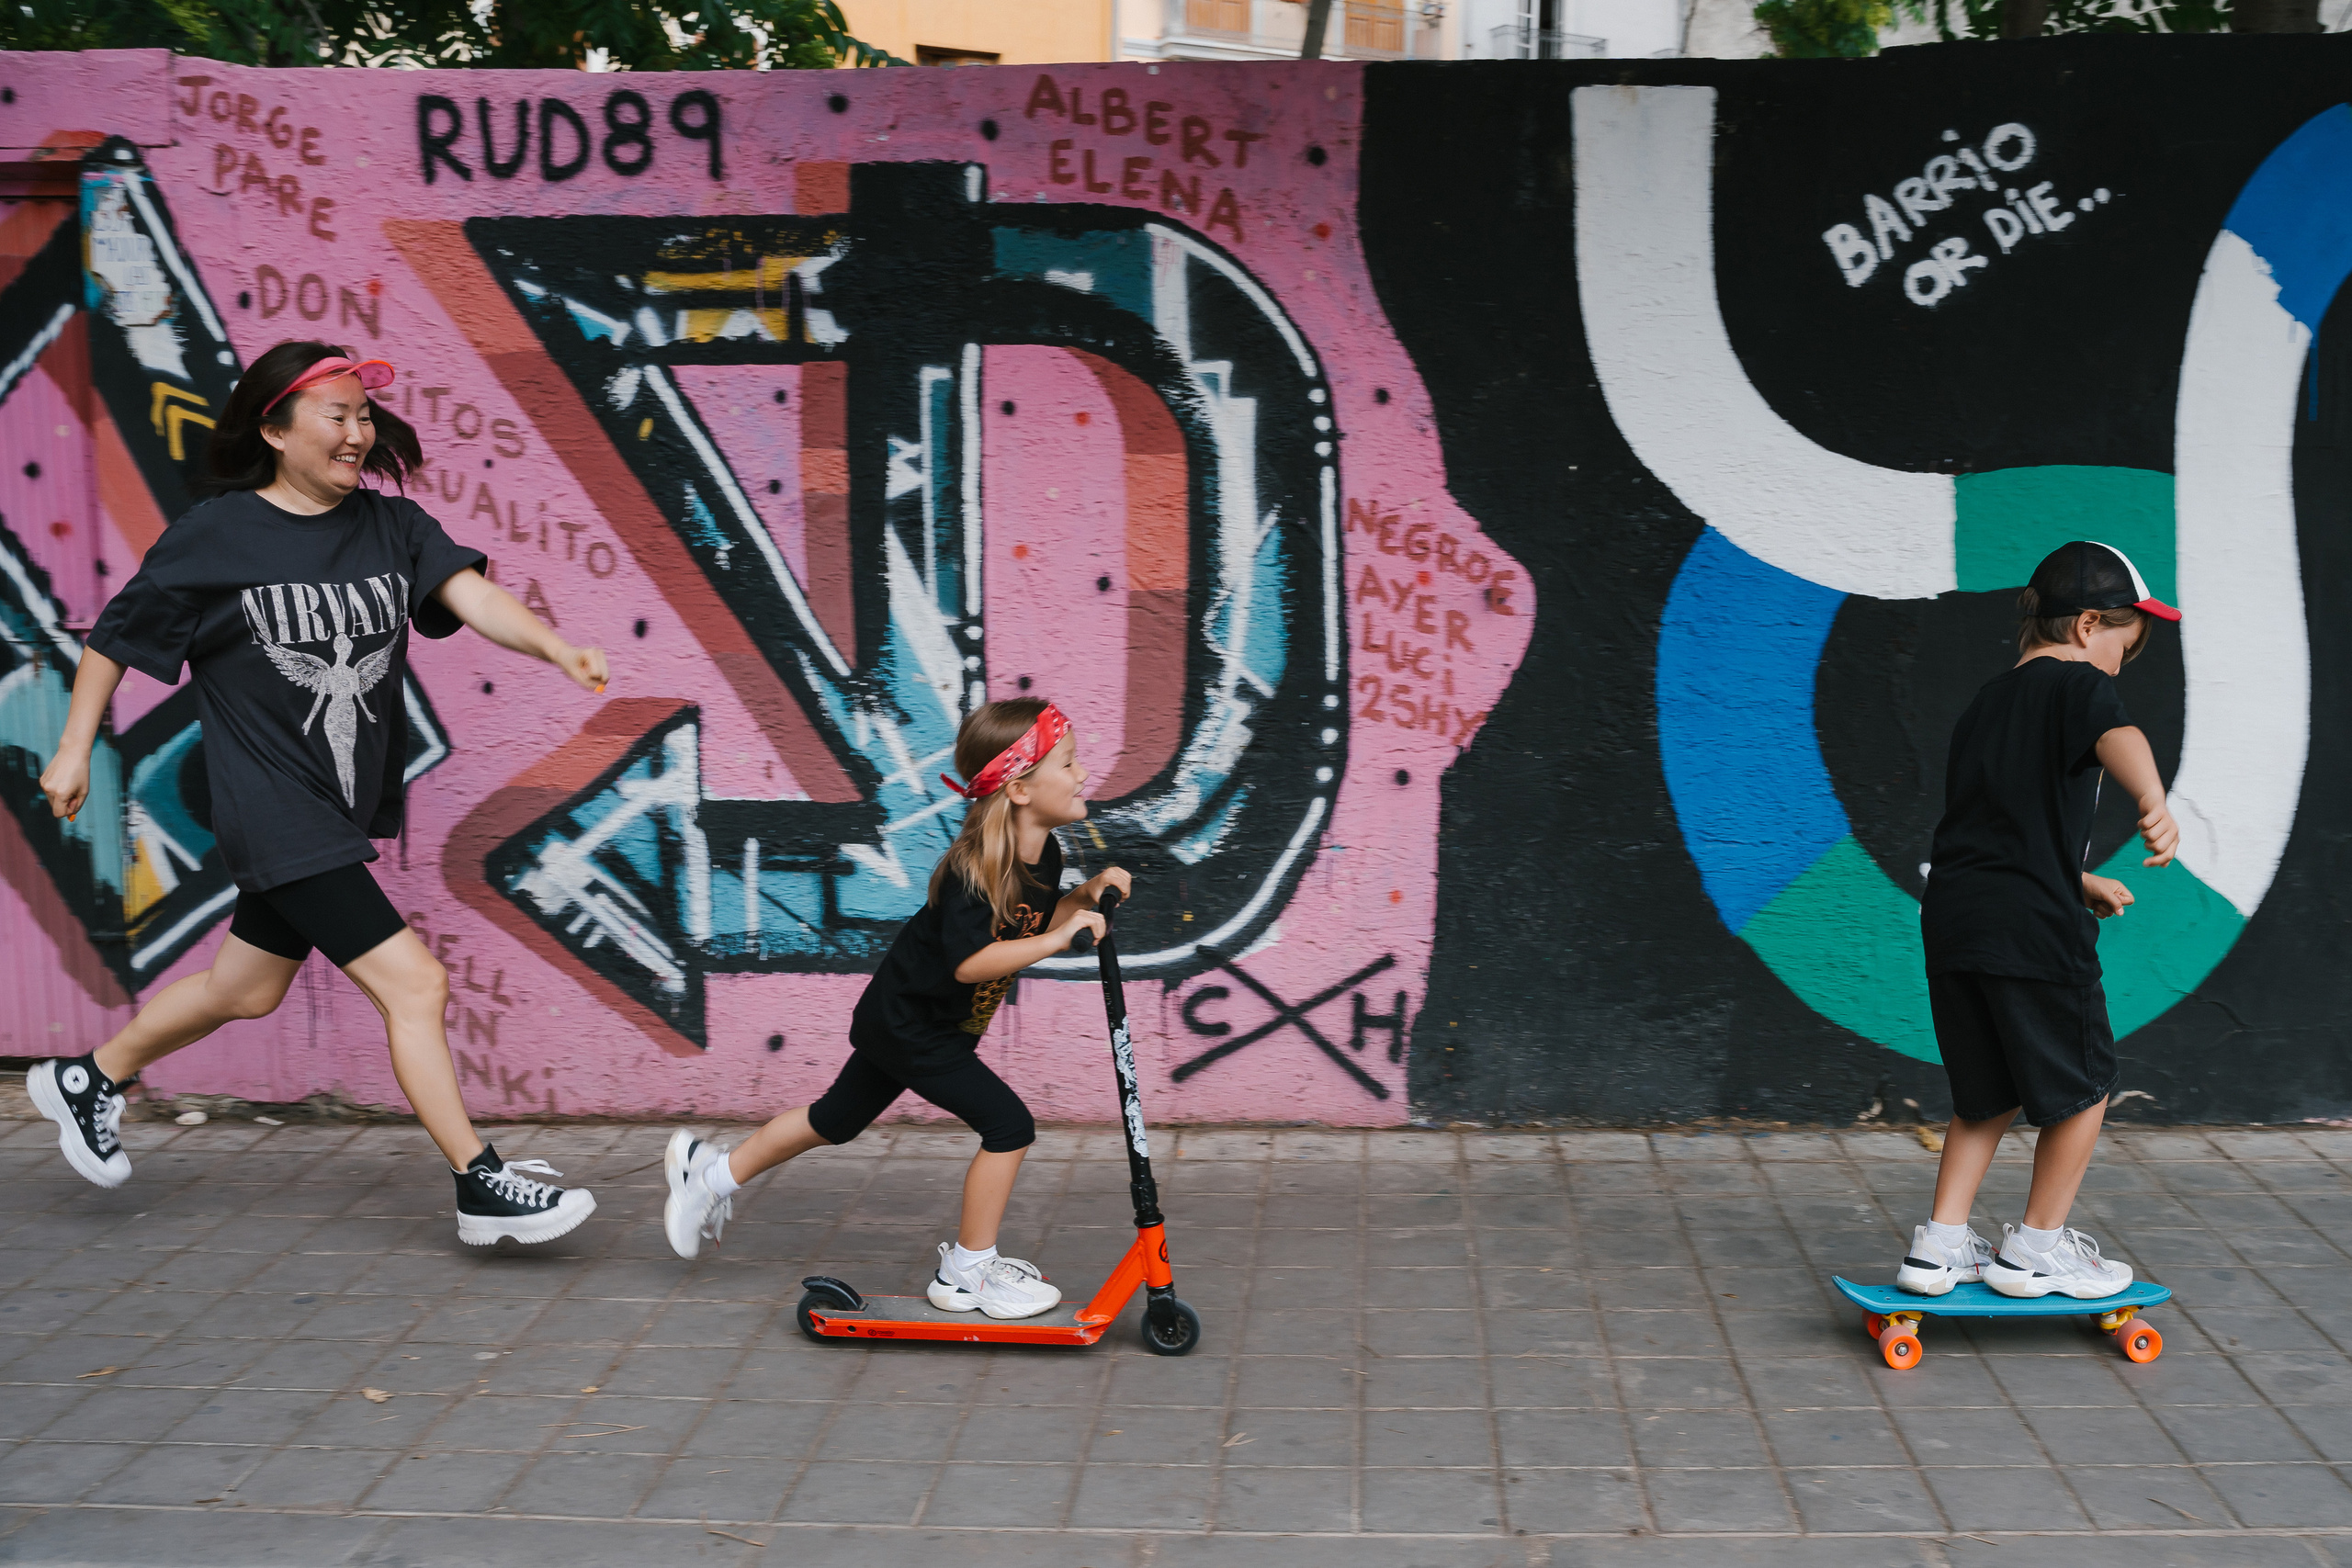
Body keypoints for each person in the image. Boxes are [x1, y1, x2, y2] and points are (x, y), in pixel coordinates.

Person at [30, 340, 604, 1247]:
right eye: (336, 415)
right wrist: (72, 749)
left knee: (242, 991)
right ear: (275, 427)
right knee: (415, 985)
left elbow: (472, 596)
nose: (356, 432)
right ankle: (481, 1187)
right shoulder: (218, 535)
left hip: (333, 806)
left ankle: (87, 1078)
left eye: (364, 415)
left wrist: (554, 646)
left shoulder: (392, 528)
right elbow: (117, 637)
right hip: (269, 805)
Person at [660, 698, 1129, 1320]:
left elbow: (1039, 921)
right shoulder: (974, 871)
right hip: (914, 1026)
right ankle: (966, 1272)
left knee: (836, 1118)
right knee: (1008, 1125)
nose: (1081, 774)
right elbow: (973, 961)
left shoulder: (1045, 856)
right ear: (1020, 788)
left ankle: (709, 1174)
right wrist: (1052, 939)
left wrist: (1087, 896)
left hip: (925, 1023)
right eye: (1067, 763)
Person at [1896, 541, 2181, 1301]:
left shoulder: (1986, 703)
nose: (2123, 664)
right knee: (2085, 1086)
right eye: (2127, 643)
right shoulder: (2077, 685)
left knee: (1985, 1094)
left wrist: (2075, 877)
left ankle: (1940, 1245)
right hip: (2033, 931)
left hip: (1959, 920)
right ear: (2089, 625)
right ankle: (2036, 1249)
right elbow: (2119, 734)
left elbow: (1996, 827)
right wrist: (2152, 799)